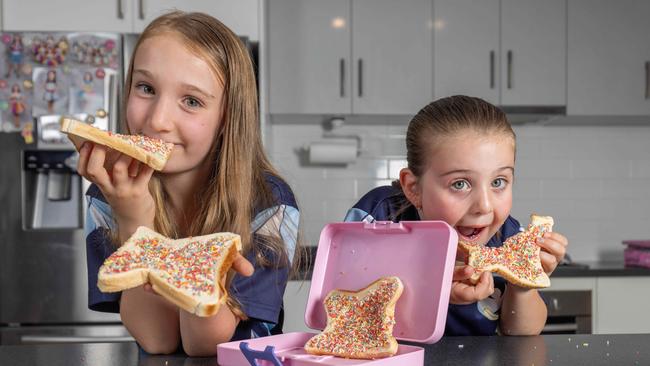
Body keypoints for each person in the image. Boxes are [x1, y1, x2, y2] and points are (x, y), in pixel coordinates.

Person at [79, 11, 301, 356]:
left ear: (228, 116)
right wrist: (133, 219)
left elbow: (205, 346)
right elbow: (157, 340)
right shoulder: (108, 194)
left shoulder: (269, 201)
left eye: (192, 101)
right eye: (146, 88)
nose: (158, 120)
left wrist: (181, 261)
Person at [344, 95, 568, 336]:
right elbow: (339, 307)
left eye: (498, 181)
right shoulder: (378, 215)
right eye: (460, 184)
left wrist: (522, 285)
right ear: (413, 188)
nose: (483, 206)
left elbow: (521, 332)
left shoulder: (509, 235)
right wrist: (430, 291)